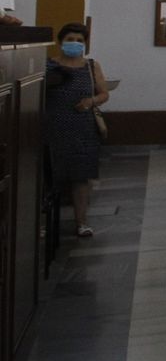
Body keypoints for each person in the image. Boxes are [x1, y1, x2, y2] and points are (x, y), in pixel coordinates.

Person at [45, 23, 109, 238]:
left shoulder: (91, 66)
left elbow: (103, 93)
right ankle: (41, 222)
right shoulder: (48, 66)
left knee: (80, 177)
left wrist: (91, 101)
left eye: (80, 41)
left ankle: (81, 222)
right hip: (52, 127)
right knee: (47, 175)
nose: (75, 44)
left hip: (82, 127)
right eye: (70, 39)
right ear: (60, 41)